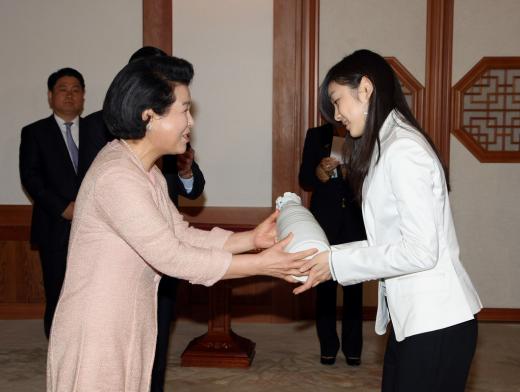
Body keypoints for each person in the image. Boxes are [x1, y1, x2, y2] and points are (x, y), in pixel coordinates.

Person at [46, 56, 315, 392]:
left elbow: (179, 234)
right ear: (149, 116)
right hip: (97, 327)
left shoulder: (146, 170)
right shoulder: (117, 176)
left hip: (127, 320)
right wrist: (262, 264)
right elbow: (172, 257)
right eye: (184, 110)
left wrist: (250, 239)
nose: (190, 121)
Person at [294, 49, 482, 392]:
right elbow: (389, 242)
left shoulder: (403, 150)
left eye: (338, 101)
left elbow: (421, 251)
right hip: (413, 319)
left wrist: (335, 263)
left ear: (365, 89)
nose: (337, 115)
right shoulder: (387, 146)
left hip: (437, 321)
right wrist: (329, 258)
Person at [84, 46, 206, 391]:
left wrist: (184, 170)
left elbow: (192, 190)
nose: (189, 121)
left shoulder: (161, 154)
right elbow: (99, 187)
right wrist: (263, 263)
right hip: (118, 255)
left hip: (160, 250)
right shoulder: (109, 142)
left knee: (152, 339)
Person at [19, 68, 106, 338]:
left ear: (83, 97)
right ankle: (59, 352)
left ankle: (90, 349)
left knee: (95, 294)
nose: (69, 95)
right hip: (55, 227)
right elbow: (31, 178)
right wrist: (64, 208)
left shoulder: (99, 131)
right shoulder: (34, 133)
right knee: (58, 294)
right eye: (62, 89)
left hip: (96, 228)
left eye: (76, 90)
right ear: (50, 96)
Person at [299, 122, 366, 366]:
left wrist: (353, 172)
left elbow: (376, 176)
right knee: (324, 287)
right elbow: (305, 178)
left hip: (354, 219)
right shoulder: (317, 135)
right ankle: (328, 347)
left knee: (353, 288)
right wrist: (320, 172)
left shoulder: (365, 131)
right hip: (325, 221)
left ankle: (353, 349)